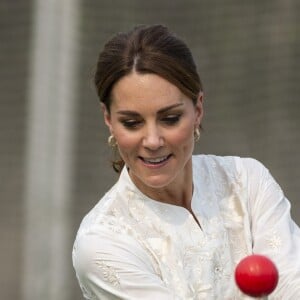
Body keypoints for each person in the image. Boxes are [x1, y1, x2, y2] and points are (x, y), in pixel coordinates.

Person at [72, 24, 300, 299]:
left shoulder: (248, 181)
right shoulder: (102, 244)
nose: (153, 140)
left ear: (198, 109)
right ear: (108, 120)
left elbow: (291, 284)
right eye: (132, 123)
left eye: (170, 118)